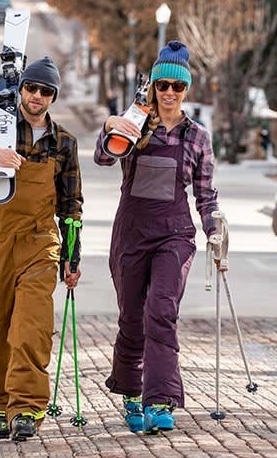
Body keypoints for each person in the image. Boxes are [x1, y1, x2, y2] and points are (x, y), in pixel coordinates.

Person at [94, 41, 225, 434]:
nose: (169, 93)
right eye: (162, 84)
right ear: (152, 86)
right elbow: (103, 158)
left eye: (177, 87)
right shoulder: (137, 125)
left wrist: (214, 232)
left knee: (161, 310)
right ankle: (132, 393)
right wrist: (109, 127)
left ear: (187, 91)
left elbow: (206, 193)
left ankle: (161, 401)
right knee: (133, 319)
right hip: (131, 233)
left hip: (175, 234)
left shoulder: (197, 136)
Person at [0, 56, 84, 441]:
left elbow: (71, 205)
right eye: (32, 88)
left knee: (32, 327)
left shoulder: (63, 143)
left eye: (46, 92)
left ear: (53, 98)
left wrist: (71, 256)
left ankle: (26, 408)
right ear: (21, 89)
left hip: (39, 243)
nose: (38, 97)